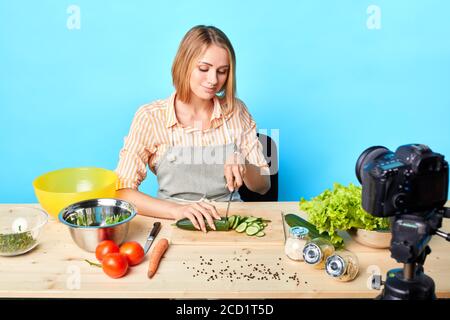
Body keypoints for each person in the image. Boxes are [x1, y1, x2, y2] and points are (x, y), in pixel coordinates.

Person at [115, 25, 270, 232]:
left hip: (231, 225)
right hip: (174, 225)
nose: (213, 80)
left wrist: (244, 161)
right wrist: (177, 211)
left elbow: (263, 186)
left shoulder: (236, 111)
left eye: (222, 71)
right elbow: (122, 192)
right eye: (204, 69)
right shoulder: (151, 117)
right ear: (184, 64)